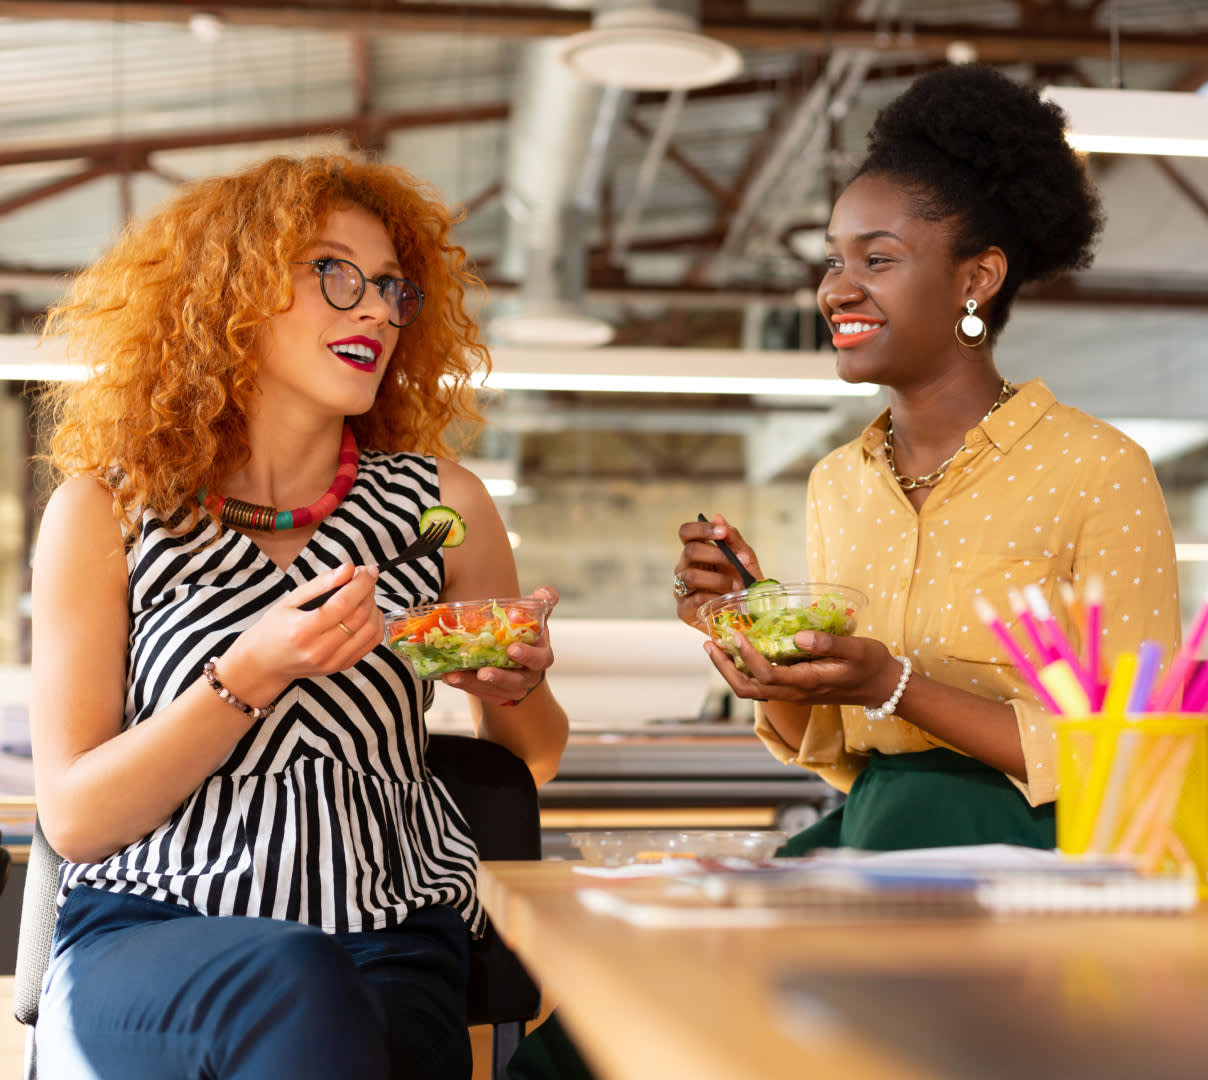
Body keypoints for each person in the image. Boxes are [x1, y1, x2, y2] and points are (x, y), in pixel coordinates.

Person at [30, 152, 569, 1080]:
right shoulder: (110, 512)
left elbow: (533, 755)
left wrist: (514, 684)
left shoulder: (440, 508)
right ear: (230, 294)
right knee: (294, 977)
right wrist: (249, 672)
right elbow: (76, 819)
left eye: (394, 290)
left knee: (327, 993)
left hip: (391, 943)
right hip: (150, 938)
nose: (375, 311)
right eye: (335, 273)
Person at [673, 64, 1181, 855]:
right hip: (882, 834)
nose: (838, 288)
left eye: (877, 260)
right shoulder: (838, 483)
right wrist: (766, 649)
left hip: (1041, 858)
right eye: (834, 260)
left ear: (975, 278)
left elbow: (1138, 749)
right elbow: (842, 753)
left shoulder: (1098, 469)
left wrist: (893, 682)